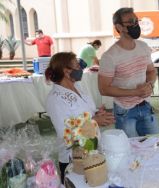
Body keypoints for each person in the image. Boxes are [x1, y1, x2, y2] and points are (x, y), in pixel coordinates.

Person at [44, 52, 115, 184]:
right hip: (74, 159)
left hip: (92, 152)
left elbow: (86, 114)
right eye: (77, 65)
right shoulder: (54, 99)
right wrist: (94, 121)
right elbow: (66, 135)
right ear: (66, 71)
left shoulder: (77, 86)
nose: (81, 69)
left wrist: (97, 115)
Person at [98, 7, 159, 138]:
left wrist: (150, 85)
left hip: (146, 106)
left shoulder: (143, 47)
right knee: (131, 151)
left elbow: (151, 71)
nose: (135, 24)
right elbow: (104, 89)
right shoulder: (109, 56)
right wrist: (136, 92)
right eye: (131, 21)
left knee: (156, 145)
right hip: (125, 111)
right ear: (119, 27)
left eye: (136, 20)